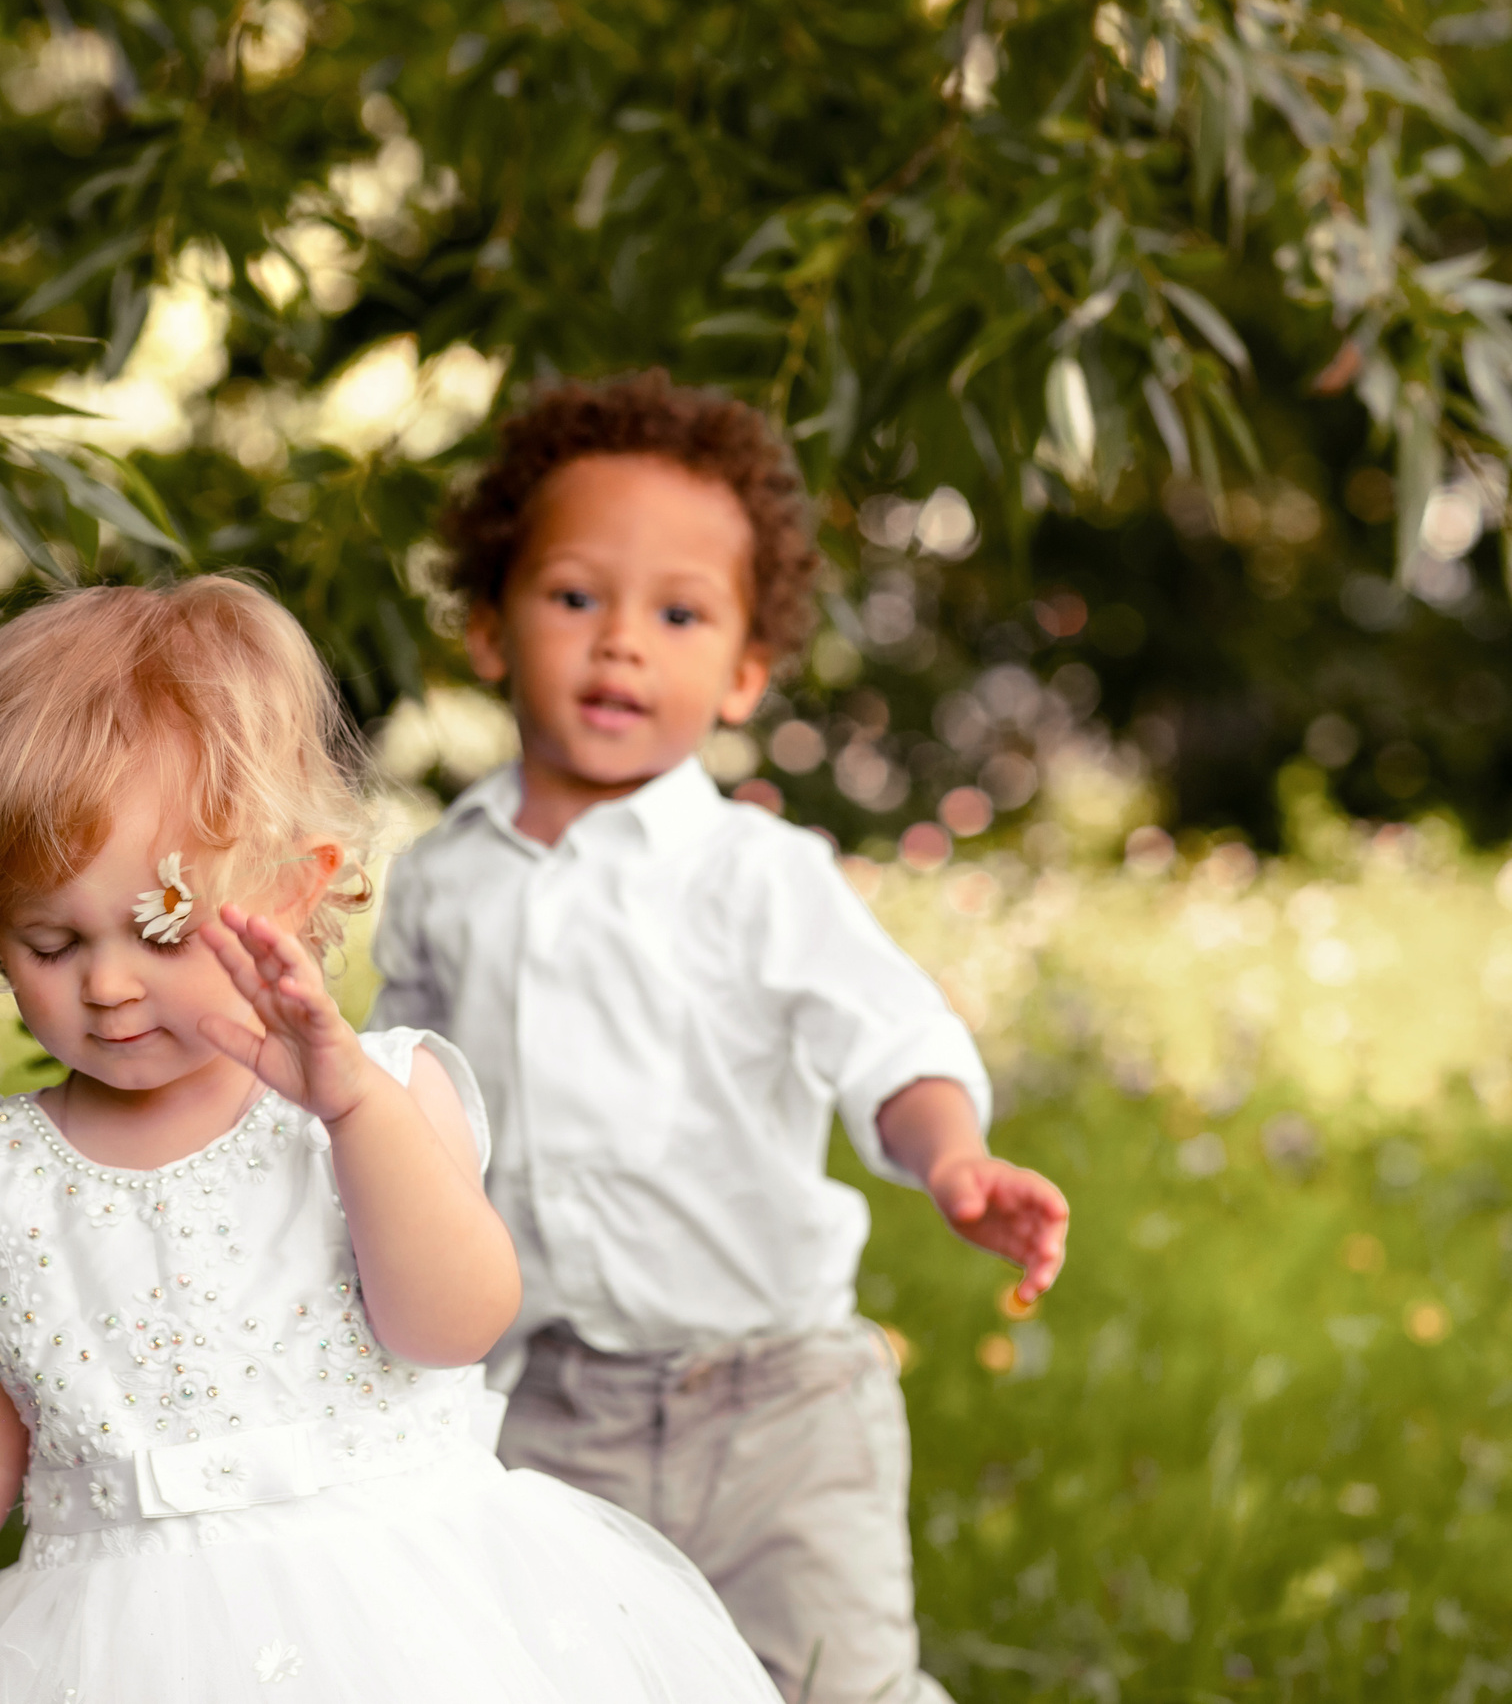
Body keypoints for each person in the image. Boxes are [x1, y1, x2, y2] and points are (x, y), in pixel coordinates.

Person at [0, 578, 782, 1704]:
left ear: (289, 888)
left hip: (403, 1614)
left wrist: (352, 1113)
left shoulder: (376, 1097)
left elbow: (452, 1325)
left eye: (158, 929)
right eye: (48, 940)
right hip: (118, 1646)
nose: (110, 984)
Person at [370, 372, 1072, 1704]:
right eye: (575, 596)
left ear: (746, 670)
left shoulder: (760, 872)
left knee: (835, 1684)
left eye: (678, 612)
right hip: (539, 1400)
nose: (620, 642)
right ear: (486, 625)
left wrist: (954, 1157)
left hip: (777, 1408)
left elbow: (889, 1031)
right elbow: (397, 1101)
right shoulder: (440, 878)